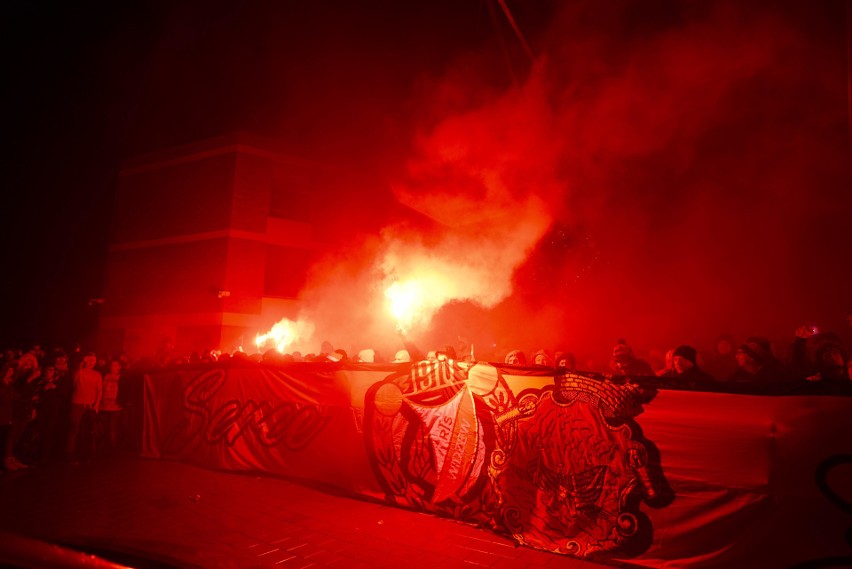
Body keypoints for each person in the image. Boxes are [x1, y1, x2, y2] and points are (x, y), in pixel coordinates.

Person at [65, 352, 103, 461]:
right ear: (85, 360)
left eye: (94, 361)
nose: (92, 362)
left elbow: (99, 391)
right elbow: (75, 374)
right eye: (89, 360)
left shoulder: (97, 374)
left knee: (86, 430)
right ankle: (69, 453)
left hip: (90, 406)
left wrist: (96, 404)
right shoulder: (79, 371)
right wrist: (82, 361)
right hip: (77, 404)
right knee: (74, 429)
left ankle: (84, 452)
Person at [99, 360, 124, 456]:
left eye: (115, 365)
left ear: (119, 367)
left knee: (113, 429)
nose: (113, 367)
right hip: (104, 406)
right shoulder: (105, 376)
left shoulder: (122, 377)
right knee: (105, 428)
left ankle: (113, 449)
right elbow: (101, 388)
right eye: (112, 365)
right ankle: (105, 448)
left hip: (116, 407)